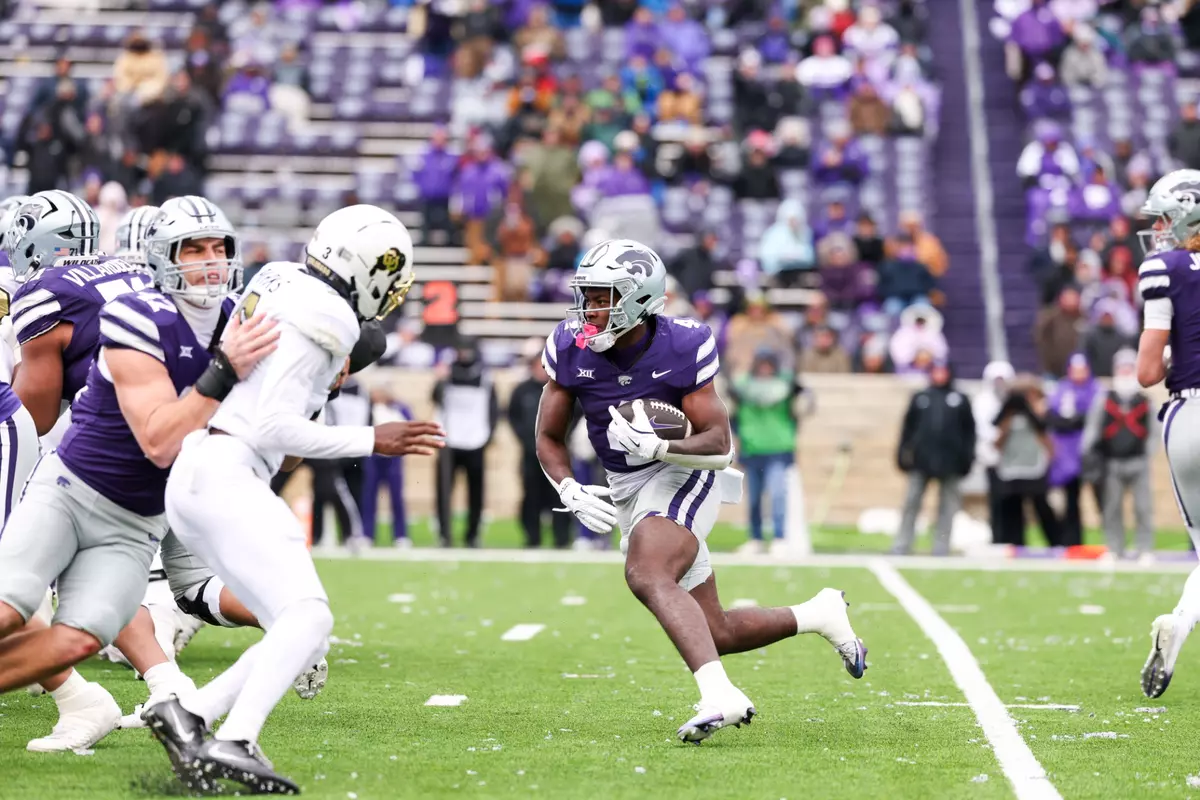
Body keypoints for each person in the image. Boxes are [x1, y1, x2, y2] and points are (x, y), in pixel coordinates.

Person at [146, 205, 445, 793]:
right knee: (310, 615)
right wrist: (372, 439)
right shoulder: (331, 315)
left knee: (296, 624)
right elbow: (276, 431)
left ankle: (192, 714)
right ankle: (237, 740)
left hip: (200, 466)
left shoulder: (279, 277)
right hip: (229, 469)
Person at [535, 238, 866, 743]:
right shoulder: (569, 344)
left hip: (683, 471)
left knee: (647, 570)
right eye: (588, 296)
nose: (590, 309)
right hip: (626, 484)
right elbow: (547, 436)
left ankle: (720, 695)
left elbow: (719, 444)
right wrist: (568, 485)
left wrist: (660, 448)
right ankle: (818, 613)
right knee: (716, 631)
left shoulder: (683, 344)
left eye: (603, 297)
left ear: (638, 300)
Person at [0, 196, 277, 716]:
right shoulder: (143, 308)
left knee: (73, 626)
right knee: (23, 607)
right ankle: (157, 682)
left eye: (219, 248)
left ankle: (148, 689)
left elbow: (31, 416)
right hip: (104, 477)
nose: (211, 262)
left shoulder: (215, 315)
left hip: (125, 489)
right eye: (194, 250)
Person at [1133, 170, 1200, 698]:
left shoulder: (1162, 268)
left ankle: (1180, 620)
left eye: (1162, 216)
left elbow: (1147, 372)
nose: (1157, 227)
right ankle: (1180, 618)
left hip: (1189, 414)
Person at [893, 361, 976, 555]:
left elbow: (969, 433)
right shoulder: (921, 397)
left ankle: (941, 547)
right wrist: (903, 454)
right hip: (921, 460)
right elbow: (907, 429)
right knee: (911, 503)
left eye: (943, 371)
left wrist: (967, 459)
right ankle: (902, 544)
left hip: (950, 462)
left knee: (947, 507)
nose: (939, 375)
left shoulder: (960, 399)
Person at [1082, 349, 1155, 560]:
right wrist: (1089, 455)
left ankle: (1145, 549)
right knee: (1112, 509)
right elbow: (1093, 429)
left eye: (1129, 367)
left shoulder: (1144, 401)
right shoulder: (1104, 399)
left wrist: (1147, 454)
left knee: (1143, 508)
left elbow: (1153, 432)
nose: (1125, 372)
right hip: (1111, 461)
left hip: (1138, 461)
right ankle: (1114, 549)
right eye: (1122, 368)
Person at [729, 350, 802, 555]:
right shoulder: (743, 385)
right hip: (752, 449)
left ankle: (779, 538)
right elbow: (733, 414)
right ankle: (756, 538)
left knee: (778, 495)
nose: (765, 368)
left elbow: (803, 407)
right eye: (761, 363)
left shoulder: (787, 384)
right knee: (753, 498)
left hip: (778, 448)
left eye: (769, 363)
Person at [433, 337, 498, 547]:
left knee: (476, 493)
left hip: (475, 440)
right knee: (443, 491)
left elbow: (493, 409)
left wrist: (488, 436)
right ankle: (445, 534)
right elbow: (435, 398)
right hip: (449, 440)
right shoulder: (447, 374)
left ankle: (473, 535)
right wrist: (439, 379)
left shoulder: (485, 376)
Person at [509, 344, 572, 548]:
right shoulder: (522, 390)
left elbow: (576, 416)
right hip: (531, 454)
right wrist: (527, 440)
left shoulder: (563, 390)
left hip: (558, 454)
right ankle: (532, 537)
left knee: (560, 495)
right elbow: (513, 416)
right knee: (531, 496)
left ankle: (561, 539)